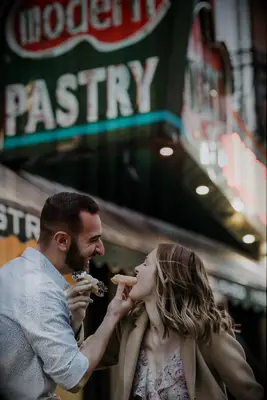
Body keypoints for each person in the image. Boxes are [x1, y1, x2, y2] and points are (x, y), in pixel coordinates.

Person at [0, 192, 132, 400]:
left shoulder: (16, 272)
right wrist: (112, 315)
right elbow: (73, 377)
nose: (101, 249)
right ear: (62, 240)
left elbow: (36, 355)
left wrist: (75, 320)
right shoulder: (40, 289)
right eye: (94, 240)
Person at [102, 243, 264, 400]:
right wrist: (104, 315)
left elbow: (250, 392)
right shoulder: (129, 326)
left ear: (165, 277)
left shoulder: (207, 332)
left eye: (146, 264)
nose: (136, 268)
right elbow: (82, 362)